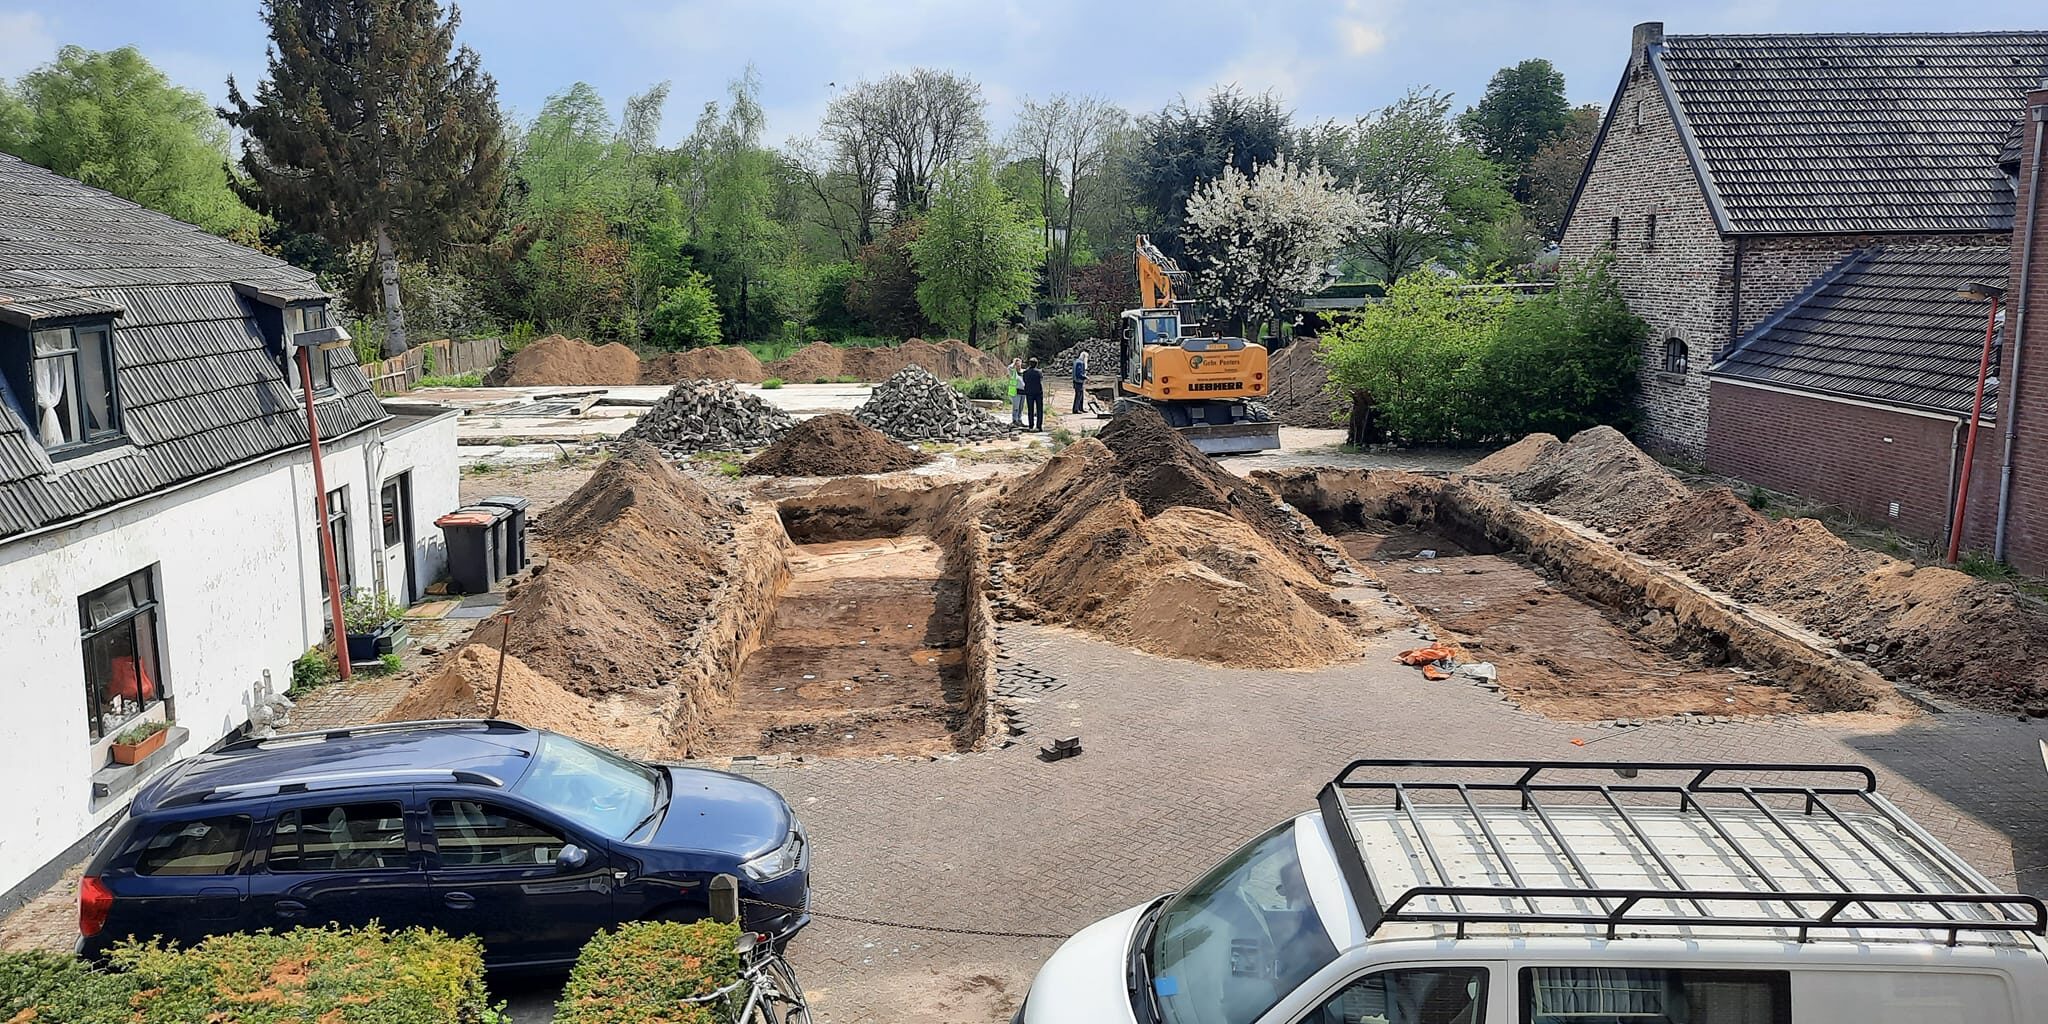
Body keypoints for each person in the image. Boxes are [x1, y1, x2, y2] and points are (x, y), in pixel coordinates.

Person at [1021, 359, 1045, 431]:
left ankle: (1031, 425)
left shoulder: (1025, 372)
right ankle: (1039, 426)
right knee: (1039, 410)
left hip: (1029, 392)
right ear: (1036, 364)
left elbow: (1024, 381)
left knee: (1030, 409)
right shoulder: (1039, 372)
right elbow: (1041, 379)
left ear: (1029, 364)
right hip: (1038, 392)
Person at [1006, 358, 1024, 425]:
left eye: (1019, 364)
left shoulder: (1023, 372)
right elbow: (1009, 368)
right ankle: (1014, 420)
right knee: (1016, 407)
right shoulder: (1013, 372)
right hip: (1015, 392)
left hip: (1023, 392)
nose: (1018, 365)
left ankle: (1019, 419)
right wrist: (1014, 362)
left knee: (1021, 407)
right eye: (1017, 364)